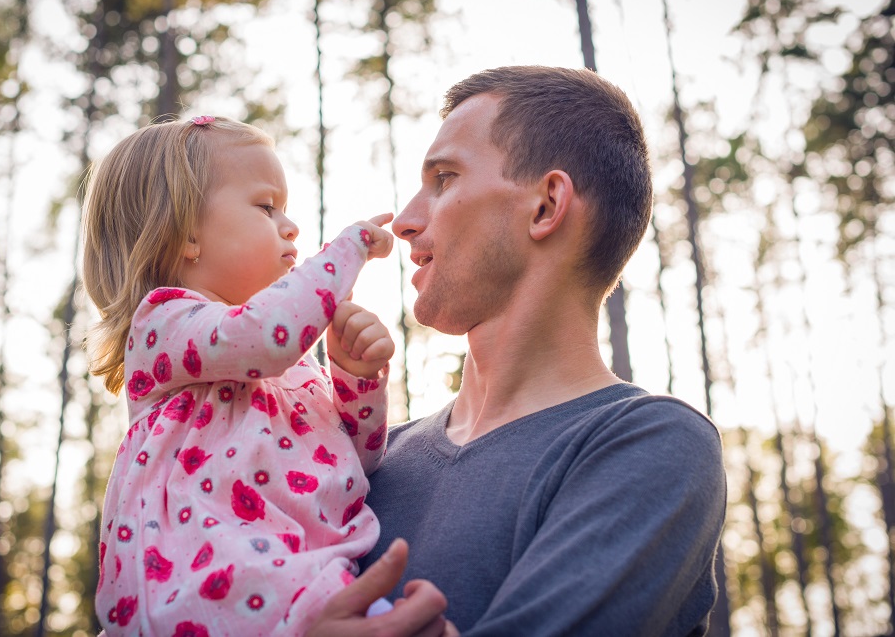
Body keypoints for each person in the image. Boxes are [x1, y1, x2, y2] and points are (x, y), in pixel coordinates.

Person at [308, 66, 727, 636]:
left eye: (445, 178)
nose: (404, 222)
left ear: (546, 205)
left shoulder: (652, 445)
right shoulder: (368, 462)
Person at [81, 115, 401, 636]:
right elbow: (267, 332)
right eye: (266, 206)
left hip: (308, 581)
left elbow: (354, 465)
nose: (290, 225)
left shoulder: (291, 367)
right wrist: (349, 248)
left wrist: (355, 378)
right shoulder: (163, 322)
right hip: (207, 591)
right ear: (185, 233)